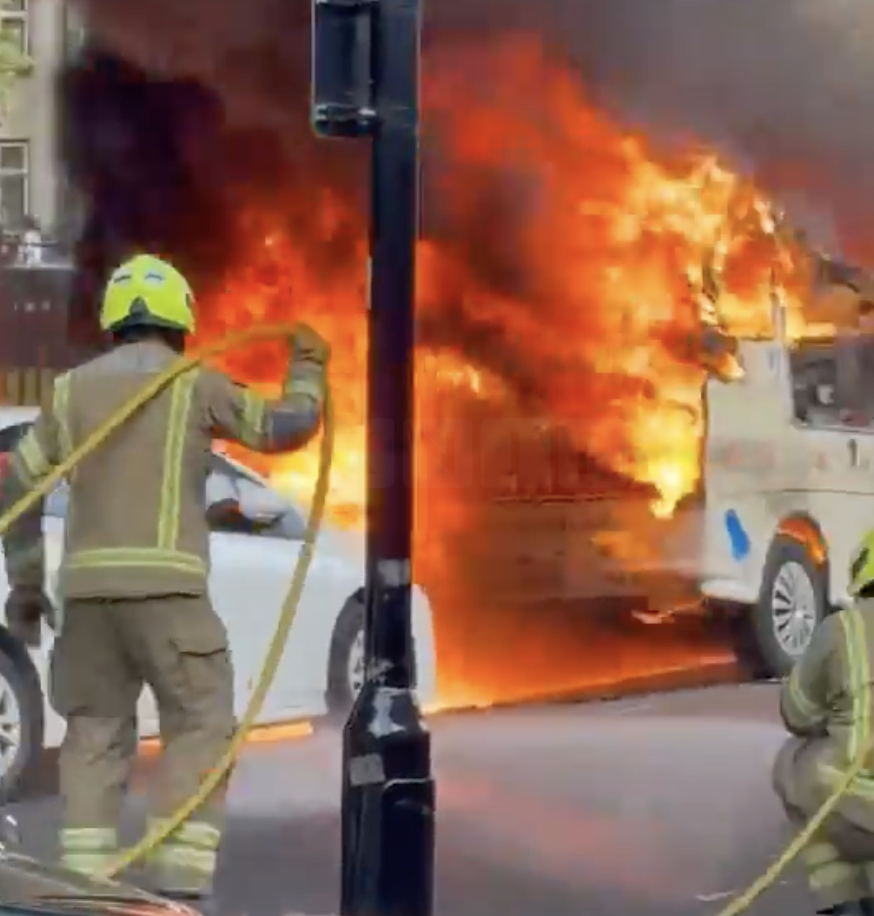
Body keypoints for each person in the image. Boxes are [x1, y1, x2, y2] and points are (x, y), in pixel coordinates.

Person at [0, 253, 329, 905]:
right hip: (171, 601)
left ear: (113, 320)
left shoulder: (69, 392)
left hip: (90, 605)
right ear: (180, 319)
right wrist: (309, 367)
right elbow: (284, 427)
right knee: (199, 723)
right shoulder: (196, 383)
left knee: (94, 734)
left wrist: (28, 584)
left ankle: (84, 890)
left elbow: (18, 484)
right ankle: (177, 887)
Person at [773, 530, 874, 915]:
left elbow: (796, 714)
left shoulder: (841, 629)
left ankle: (843, 898)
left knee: (793, 763)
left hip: (861, 807)